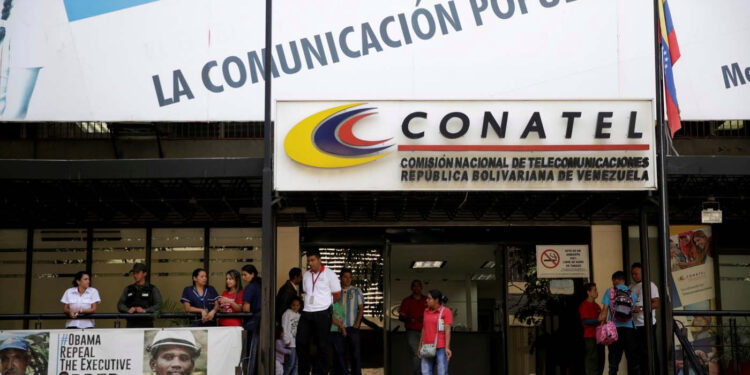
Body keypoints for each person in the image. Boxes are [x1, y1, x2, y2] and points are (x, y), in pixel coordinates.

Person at [297, 249, 341, 375]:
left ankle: (323, 371)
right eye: (309, 261)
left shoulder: (329, 274)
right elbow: (306, 292)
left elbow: (337, 295)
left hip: (323, 312)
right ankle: (304, 371)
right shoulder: (306, 275)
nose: (310, 263)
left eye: (313, 260)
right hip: (307, 312)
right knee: (301, 341)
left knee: (322, 345)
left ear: (319, 260)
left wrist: (328, 305)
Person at [599, 271, 640, 375]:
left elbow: (604, 312)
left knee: (613, 361)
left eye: (613, 281)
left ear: (615, 280)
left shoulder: (610, 292)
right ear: (624, 280)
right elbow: (632, 310)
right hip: (630, 329)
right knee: (632, 359)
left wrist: (601, 324)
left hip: (614, 330)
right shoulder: (632, 294)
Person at [631, 262, 660, 373]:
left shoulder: (650, 285)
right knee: (639, 354)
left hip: (647, 324)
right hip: (635, 324)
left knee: (650, 352)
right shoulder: (632, 287)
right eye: (632, 274)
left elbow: (655, 304)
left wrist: (641, 309)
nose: (634, 276)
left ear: (643, 273)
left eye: (636, 274)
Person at [117, 263, 163, 328]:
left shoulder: (152, 289)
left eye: (138, 273)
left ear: (145, 274)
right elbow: (120, 305)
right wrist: (128, 310)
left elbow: (159, 305)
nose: (135, 275)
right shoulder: (128, 289)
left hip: (146, 325)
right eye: (134, 273)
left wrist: (145, 310)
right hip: (131, 326)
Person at [417, 290, 453, 375]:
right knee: (425, 372)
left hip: (441, 347)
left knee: (442, 372)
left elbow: (447, 330)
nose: (427, 300)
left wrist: (447, 348)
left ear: (436, 300)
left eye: (429, 299)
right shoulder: (426, 311)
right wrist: (420, 346)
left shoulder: (446, 311)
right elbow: (424, 329)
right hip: (426, 346)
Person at [339, 268, 364, 375]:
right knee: (340, 353)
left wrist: (357, 323)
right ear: (340, 278)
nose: (348, 279)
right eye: (345, 277)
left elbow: (361, 308)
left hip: (353, 327)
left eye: (350, 277)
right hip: (339, 328)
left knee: (355, 354)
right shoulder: (336, 292)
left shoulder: (356, 290)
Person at [399, 280, 428, 375]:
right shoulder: (406, 301)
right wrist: (408, 319)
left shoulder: (427, 300)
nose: (416, 288)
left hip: (426, 331)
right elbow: (401, 316)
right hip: (412, 331)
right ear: (412, 288)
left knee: (427, 354)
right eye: (414, 286)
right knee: (416, 354)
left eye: (418, 286)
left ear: (421, 287)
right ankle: (418, 373)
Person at [579, 283, 604, 375]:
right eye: (594, 290)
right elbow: (585, 321)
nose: (597, 292)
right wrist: (598, 319)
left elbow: (601, 320)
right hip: (590, 336)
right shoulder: (584, 305)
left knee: (600, 360)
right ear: (588, 292)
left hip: (599, 337)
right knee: (591, 359)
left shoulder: (597, 306)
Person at [242, 264, 262, 375]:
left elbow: (246, 308)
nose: (243, 277)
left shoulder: (250, 287)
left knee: (251, 352)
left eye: (245, 275)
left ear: (252, 274)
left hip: (253, 322)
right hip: (264, 322)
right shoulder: (261, 285)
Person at [281, 297, 302, 375]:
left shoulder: (299, 315)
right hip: (290, 343)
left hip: (297, 343)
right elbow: (284, 327)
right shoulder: (287, 313)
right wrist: (286, 340)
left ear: (300, 306)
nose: (295, 307)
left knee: (296, 364)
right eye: (293, 305)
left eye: (297, 305)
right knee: (290, 364)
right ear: (290, 305)